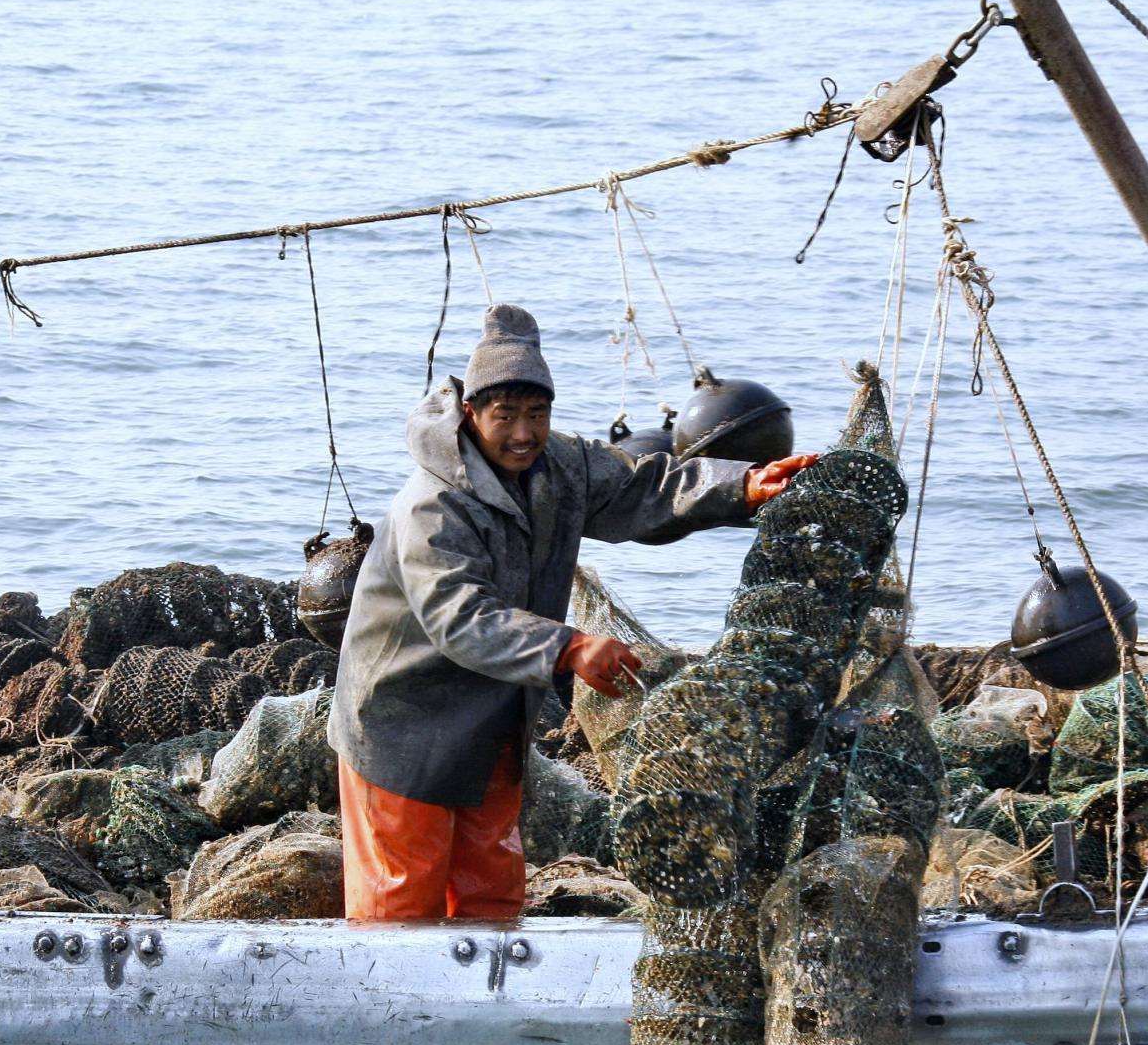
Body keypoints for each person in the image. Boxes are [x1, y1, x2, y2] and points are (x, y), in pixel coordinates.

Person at [329, 303, 815, 921]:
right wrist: (568, 647)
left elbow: (644, 488)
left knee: (492, 900)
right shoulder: (434, 505)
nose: (524, 433)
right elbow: (460, 617)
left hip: (492, 723)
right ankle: (394, 1013)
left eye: (537, 414)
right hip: (401, 725)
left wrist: (742, 486)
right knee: (401, 906)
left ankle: (489, 1013)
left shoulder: (559, 465)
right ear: (471, 414)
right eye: (505, 416)